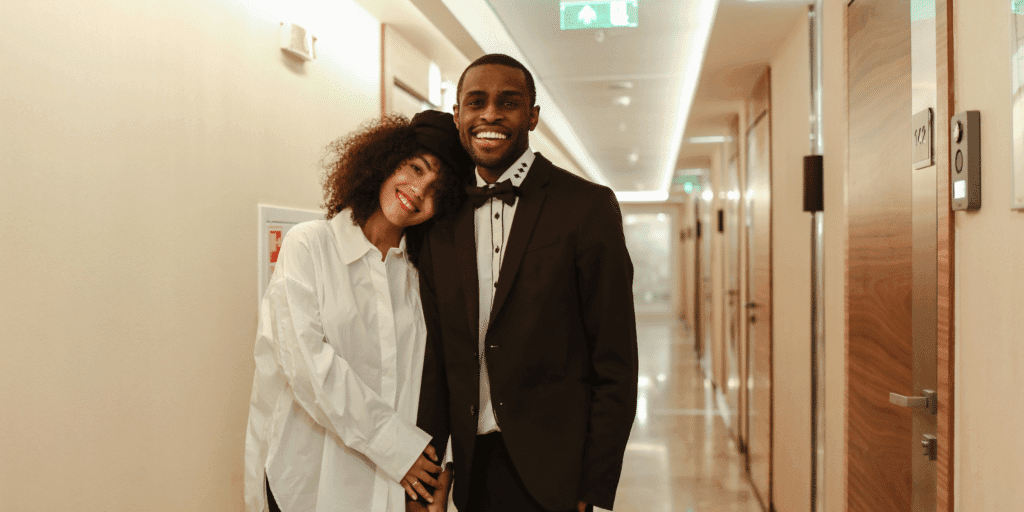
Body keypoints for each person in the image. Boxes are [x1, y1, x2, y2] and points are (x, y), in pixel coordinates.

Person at [414, 54, 639, 512]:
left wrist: (591, 487)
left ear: (532, 116)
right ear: (458, 115)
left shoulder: (587, 206)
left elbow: (615, 360)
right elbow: (440, 357)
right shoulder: (442, 219)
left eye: (509, 102)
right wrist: (434, 467)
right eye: (475, 102)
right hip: (472, 468)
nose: (491, 114)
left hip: (555, 471)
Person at [244, 110, 471, 512]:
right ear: (385, 162)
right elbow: (309, 368)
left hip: (385, 487)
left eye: (437, 187)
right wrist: (397, 449)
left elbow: (442, 379)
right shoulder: (309, 246)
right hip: (309, 479)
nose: (418, 190)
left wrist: (440, 472)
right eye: (414, 168)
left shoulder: (421, 275)